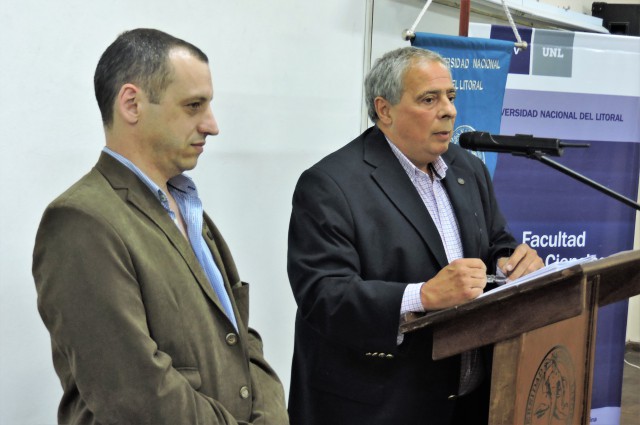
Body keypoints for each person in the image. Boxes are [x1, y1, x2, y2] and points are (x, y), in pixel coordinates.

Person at [32, 28, 288, 425]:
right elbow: (135, 395)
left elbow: (242, 342)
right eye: (193, 106)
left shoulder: (189, 209)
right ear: (132, 104)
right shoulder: (81, 220)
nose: (212, 125)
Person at [286, 46, 544, 425]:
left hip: (469, 403)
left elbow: (494, 241)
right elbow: (323, 295)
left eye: (451, 96)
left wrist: (510, 261)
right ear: (385, 110)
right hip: (380, 406)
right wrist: (421, 296)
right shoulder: (330, 185)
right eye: (429, 99)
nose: (449, 110)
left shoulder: (467, 167)